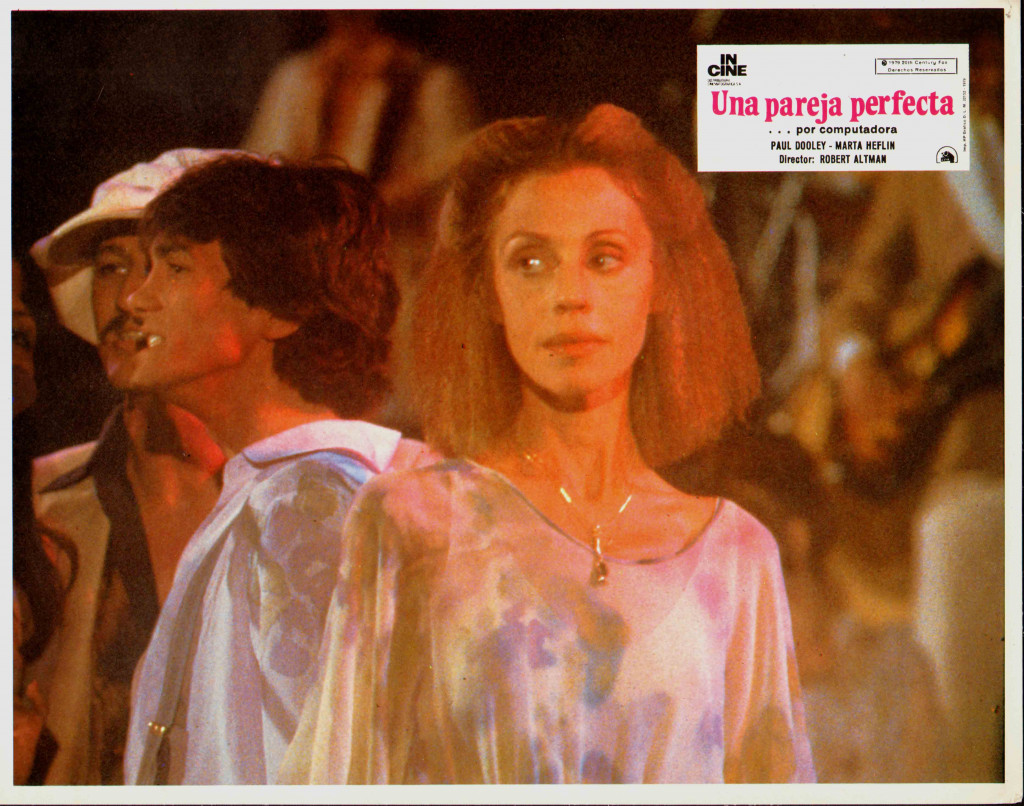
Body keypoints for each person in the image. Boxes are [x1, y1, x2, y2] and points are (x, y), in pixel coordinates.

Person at [281, 105, 815, 784]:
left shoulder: (736, 555)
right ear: (491, 294)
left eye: (605, 258)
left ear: (658, 283)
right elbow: (341, 779)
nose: (570, 294)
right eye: (530, 261)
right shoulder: (411, 524)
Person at [120, 154, 431, 785]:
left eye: (174, 268)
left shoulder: (306, 500)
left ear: (280, 307)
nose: (136, 298)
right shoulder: (282, 487)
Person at [28, 150, 231, 784]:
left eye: (167, 264)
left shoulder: (322, 499)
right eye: (112, 265)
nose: (126, 297)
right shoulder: (33, 503)